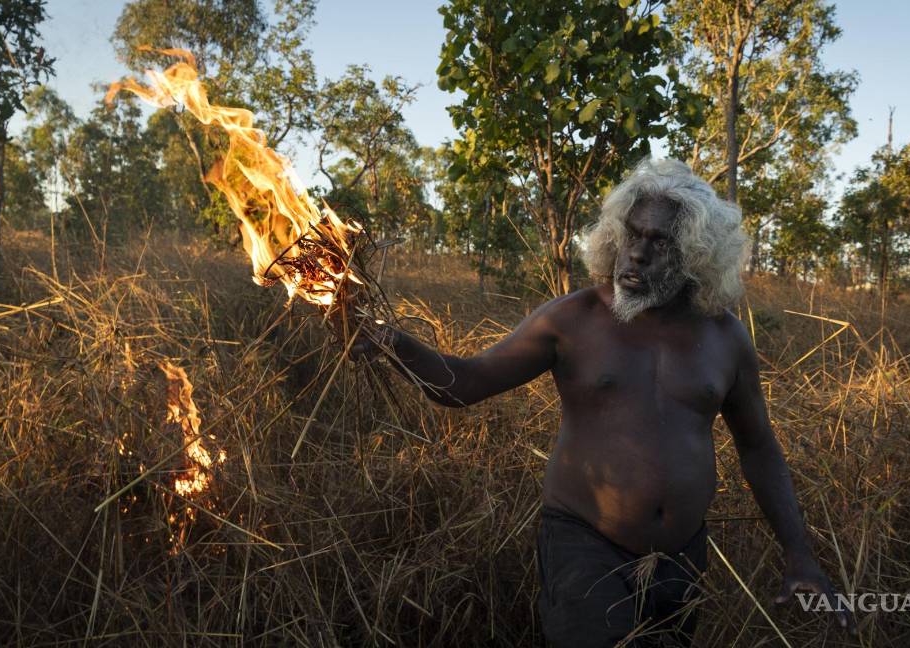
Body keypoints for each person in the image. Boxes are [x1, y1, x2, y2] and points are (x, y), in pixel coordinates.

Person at [349, 158, 853, 646]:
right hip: (585, 546)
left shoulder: (725, 337)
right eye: (633, 234)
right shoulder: (572, 319)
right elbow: (463, 383)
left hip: (681, 559)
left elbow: (758, 447)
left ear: (696, 254)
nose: (636, 253)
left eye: (661, 242)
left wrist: (799, 553)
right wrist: (395, 342)